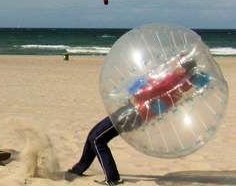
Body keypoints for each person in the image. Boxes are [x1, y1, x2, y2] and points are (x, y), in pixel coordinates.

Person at [65, 52, 201, 185]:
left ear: (183, 69)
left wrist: (139, 87)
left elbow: (149, 91)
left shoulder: (172, 80)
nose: (174, 62)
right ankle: (78, 169)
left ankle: (112, 178)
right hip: (136, 113)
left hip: (134, 113)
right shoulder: (182, 84)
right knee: (94, 134)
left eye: (178, 61)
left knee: (97, 139)